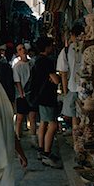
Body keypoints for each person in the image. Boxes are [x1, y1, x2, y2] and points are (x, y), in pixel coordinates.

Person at [29, 37, 61, 168]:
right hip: (48, 96)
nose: (52, 47)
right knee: (52, 124)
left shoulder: (37, 61)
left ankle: (41, 150)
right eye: (51, 45)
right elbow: (56, 80)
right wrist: (58, 77)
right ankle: (47, 154)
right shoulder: (47, 61)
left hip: (40, 97)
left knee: (43, 123)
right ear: (46, 47)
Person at [56, 23, 85, 133]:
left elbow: (63, 73)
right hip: (89, 87)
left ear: (72, 35)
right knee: (87, 115)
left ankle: (77, 141)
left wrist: (65, 91)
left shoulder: (66, 50)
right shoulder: (89, 46)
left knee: (74, 117)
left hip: (72, 87)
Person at [12, 42, 37, 145]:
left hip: (32, 93)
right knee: (20, 117)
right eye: (20, 49)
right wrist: (21, 93)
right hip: (22, 95)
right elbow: (17, 81)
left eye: (23, 48)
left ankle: (33, 138)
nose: (22, 50)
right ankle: (18, 137)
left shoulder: (32, 63)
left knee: (32, 116)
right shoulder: (17, 66)